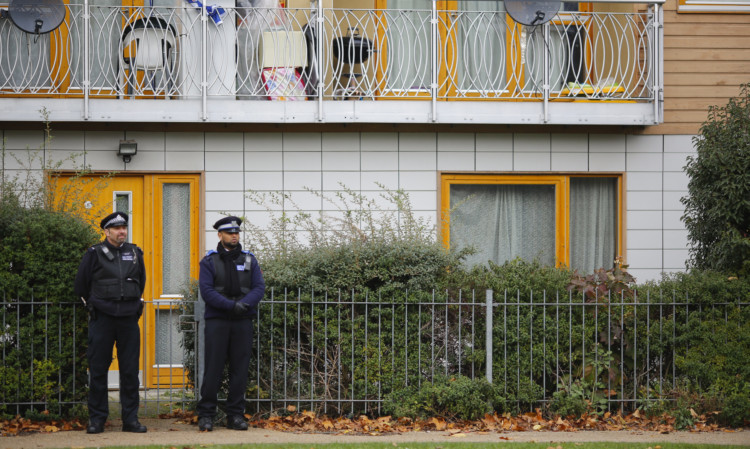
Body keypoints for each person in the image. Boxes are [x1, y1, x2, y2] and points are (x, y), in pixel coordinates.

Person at [74, 212, 147, 434]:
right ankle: (97, 420)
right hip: (102, 319)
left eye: (124, 227)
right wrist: (94, 305)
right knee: (97, 370)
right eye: (116, 228)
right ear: (106, 232)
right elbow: (81, 285)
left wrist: (134, 308)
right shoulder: (94, 253)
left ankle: (131, 420)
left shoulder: (135, 253)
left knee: (130, 371)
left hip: (127, 320)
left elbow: (141, 282)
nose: (121, 231)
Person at [197, 216, 265, 431]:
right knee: (213, 369)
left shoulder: (250, 260)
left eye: (236, 232)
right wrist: (229, 306)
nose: (234, 236)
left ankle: (235, 416)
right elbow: (207, 291)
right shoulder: (209, 261)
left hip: (242, 321)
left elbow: (258, 288)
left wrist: (242, 305)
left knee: (240, 370)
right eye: (229, 232)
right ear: (220, 235)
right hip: (218, 321)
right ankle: (206, 415)